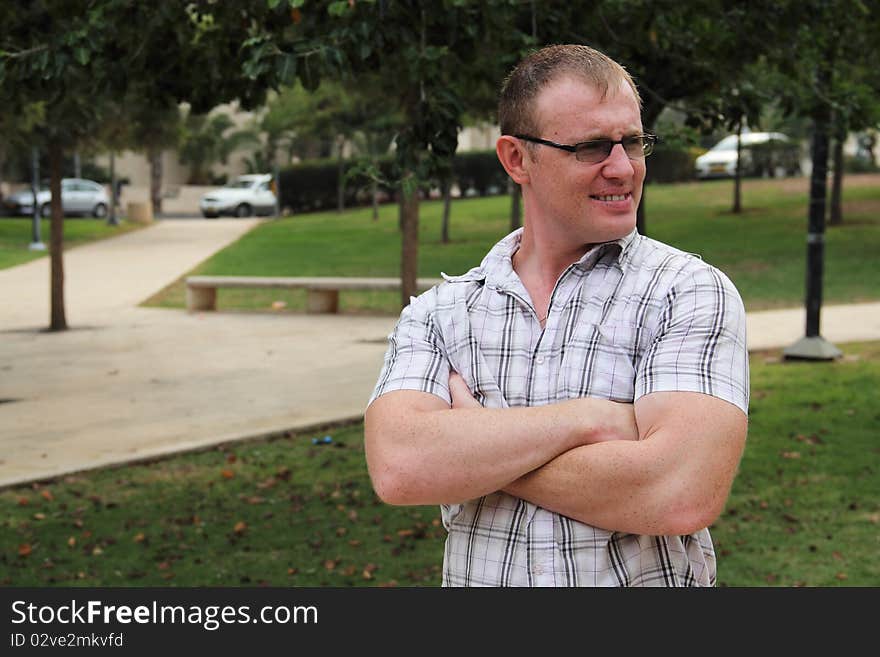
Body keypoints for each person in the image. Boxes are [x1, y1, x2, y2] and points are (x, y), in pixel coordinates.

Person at [364, 44, 749, 587]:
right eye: (591, 147)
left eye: (633, 142)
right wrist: (588, 419)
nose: (622, 168)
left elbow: (679, 492)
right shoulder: (439, 314)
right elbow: (401, 468)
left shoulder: (687, 293)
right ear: (517, 159)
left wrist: (475, 447)